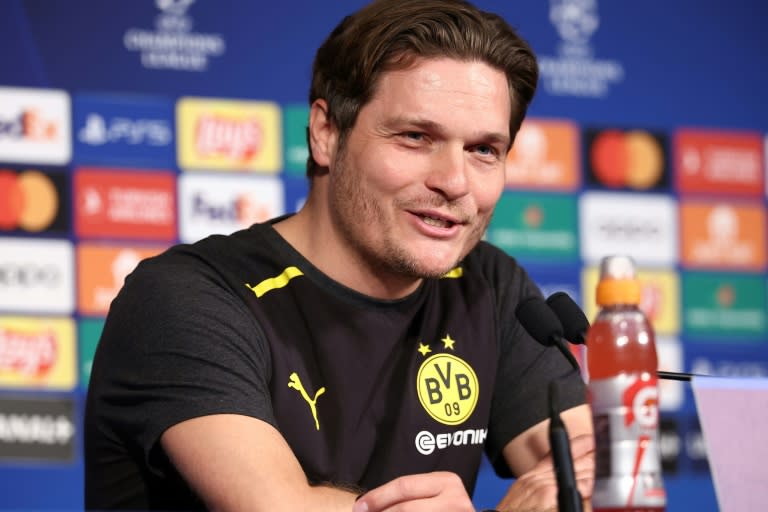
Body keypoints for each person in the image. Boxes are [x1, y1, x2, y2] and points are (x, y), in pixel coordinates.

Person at [84, 0, 594, 510]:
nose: (454, 182)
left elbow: (586, 468)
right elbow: (280, 507)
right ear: (326, 133)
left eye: (483, 150)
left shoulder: (487, 284)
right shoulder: (186, 299)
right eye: (416, 137)